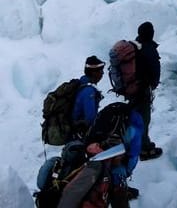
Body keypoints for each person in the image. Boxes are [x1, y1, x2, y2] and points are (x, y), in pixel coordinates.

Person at [58, 102, 143, 207]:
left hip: (89, 156)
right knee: (118, 179)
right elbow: (133, 154)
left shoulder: (105, 115)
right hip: (108, 160)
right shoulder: (133, 124)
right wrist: (126, 172)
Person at [130, 21, 162, 160]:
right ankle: (144, 149)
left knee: (134, 117)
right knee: (143, 119)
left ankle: (134, 144)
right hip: (142, 89)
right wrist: (152, 85)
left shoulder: (135, 45)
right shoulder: (149, 48)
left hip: (132, 88)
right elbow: (155, 70)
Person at [71, 55, 105, 140]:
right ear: (94, 72)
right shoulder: (88, 91)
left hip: (75, 132)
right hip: (80, 135)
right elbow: (90, 119)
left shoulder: (82, 84)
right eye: (101, 70)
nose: (103, 73)